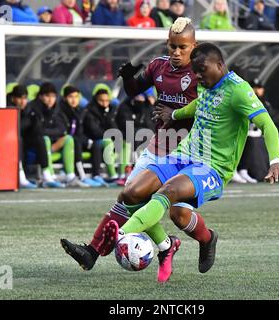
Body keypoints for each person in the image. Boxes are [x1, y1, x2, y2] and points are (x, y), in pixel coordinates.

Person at [98, 42, 279, 274]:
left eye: (201, 70)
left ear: (219, 65)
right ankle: (191, 241)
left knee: (168, 192)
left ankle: (122, 234)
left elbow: (267, 124)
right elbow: (201, 104)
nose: (197, 76)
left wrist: (275, 160)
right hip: (183, 155)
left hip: (212, 167)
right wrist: (174, 114)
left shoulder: (239, 90)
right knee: (133, 193)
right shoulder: (208, 84)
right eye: (195, 71)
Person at [61, 18, 210, 283]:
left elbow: (213, 108)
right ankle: (92, 252)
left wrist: (175, 113)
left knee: (179, 215)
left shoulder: (203, 74)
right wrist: (128, 77)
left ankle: (201, 241)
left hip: (190, 154)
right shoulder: (158, 66)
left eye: (182, 47)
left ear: (194, 46)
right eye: (172, 46)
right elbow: (133, 90)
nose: (176, 52)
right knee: (130, 195)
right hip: (158, 147)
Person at [29, 83, 88, 188]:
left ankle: (70, 175)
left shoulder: (57, 109)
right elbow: (37, 130)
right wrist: (50, 132)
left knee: (69, 139)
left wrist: (50, 133)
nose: (50, 99)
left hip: (54, 143)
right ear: (40, 96)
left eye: (53, 96)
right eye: (47, 96)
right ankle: (48, 175)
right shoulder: (34, 108)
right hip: (37, 144)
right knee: (44, 139)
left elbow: (62, 130)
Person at [8, 85, 63, 188]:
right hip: (11, 140)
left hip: (26, 139)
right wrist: (30, 121)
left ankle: (46, 175)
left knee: (39, 139)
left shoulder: (30, 109)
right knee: (18, 140)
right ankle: (20, 177)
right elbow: (15, 128)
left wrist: (33, 122)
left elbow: (38, 128)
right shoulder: (7, 107)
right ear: (13, 98)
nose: (22, 101)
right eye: (20, 98)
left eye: (25, 98)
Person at [57, 86, 104, 187]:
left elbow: (83, 130)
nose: (74, 100)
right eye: (70, 97)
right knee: (76, 141)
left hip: (77, 139)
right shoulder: (60, 111)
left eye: (76, 97)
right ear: (65, 98)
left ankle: (96, 175)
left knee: (95, 143)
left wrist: (89, 139)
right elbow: (64, 132)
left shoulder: (80, 110)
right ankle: (81, 176)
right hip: (64, 142)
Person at [84, 84, 119, 185]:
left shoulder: (110, 110)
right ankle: (109, 174)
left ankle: (123, 173)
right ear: (96, 100)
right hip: (92, 140)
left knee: (125, 142)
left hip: (107, 138)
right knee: (104, 142)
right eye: (101, 101)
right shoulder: (89, 110)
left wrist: (108, 114)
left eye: (107, 101)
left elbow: (114, 128)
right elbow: (94, 131)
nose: (104, 104)